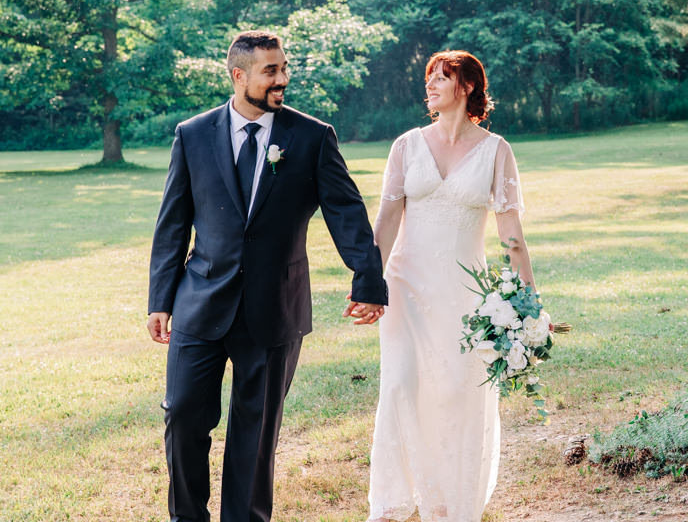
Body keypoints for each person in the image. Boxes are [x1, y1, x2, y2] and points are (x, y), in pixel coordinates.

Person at [147, 30, 388, 522]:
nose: (283, 79)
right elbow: (173, 222)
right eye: (270, 71)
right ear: (239, 76)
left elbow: (346, 212)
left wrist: (368, 280)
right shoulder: (193, 134)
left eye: (284, 68)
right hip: (200, 301)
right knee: (183, 414)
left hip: (275, 305)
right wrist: (160, 300)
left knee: (255, 434)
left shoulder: (312, 136)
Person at [366, 50, 535, 522]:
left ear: (467, 86)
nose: (431, 85)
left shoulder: (496, 150)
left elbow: (511, 234)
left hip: (464, 295)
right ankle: (391, 503)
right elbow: (386, 222)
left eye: (442, 77)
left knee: (457, 392)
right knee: (400, 384)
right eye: (430, 78)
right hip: (405, 286)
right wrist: (368, 283)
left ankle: (446, 502)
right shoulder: (406, 146)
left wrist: (527, 302)